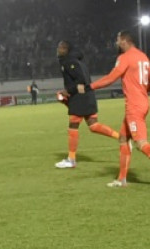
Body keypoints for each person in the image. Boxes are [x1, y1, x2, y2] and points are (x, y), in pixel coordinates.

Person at [91, 31, 150, 189]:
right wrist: (141, 91)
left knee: (141, 144)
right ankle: (122, 179)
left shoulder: (125, 57)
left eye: (118, 40)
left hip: (134, 106)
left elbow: (111, 78)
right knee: (123, 138)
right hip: (143, 103)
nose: (116, 43)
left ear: (124, 41)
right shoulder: (143, 56)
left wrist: (90, 87)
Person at [54, 40, 120, 169]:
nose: (58, 50)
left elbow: (81, 80)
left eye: (60, 47)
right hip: (87, 96)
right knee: (94, 126)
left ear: (65, 49)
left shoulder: (70, 62)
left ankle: (71, 160)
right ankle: (121, 138)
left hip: (80, 97)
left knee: (73, 126)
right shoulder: (78, 61)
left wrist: (68, 91)